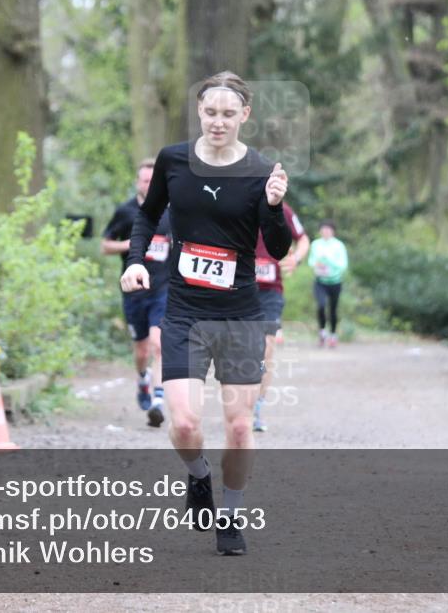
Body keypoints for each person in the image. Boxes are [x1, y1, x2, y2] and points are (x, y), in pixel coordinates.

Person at [121, 71, 291, 556]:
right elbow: (148, 215)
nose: (218, 122)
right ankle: (198, 476)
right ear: (200, 112)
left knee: (239, 426)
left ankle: (231, 514)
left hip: (239, 313)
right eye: (211, 112)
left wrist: (274, 207)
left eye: (228, 114)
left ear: (245, 116)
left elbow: (276, 250)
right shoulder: (175, 160)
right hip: (184, 311)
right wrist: (135, 262)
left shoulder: (261, 171)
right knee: (186, 423)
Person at [102, 159, 171, 428]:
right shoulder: (126, 212)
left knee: (158, 344)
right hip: (133, 292)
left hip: (163, 290)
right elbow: (104, 246)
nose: (148, 185)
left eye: (153, 181)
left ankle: (157, 400)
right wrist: (129, 245)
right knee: (142, 350)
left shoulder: (171, 213)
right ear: (137, 182)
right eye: (144, 180)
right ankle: (143, 378)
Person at [253, 202, 309, 432]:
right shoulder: (237, 200)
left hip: (270, 292)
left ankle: (257, 406)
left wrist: (296, 259)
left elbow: (304, 239)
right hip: (237, 289)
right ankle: (240, 401)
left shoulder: (283, 210)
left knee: (266, 347)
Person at [308, 220, 348, 348]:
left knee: (333, 309)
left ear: (333, 231)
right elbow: (311, 261)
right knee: (321, 305)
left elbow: (343, 265)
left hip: (335, 282)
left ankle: (333, 335)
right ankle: (322, 332)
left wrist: (328, 259)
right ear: (320, 231)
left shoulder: (339, 245)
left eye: (328, 229)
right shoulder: (315, 244)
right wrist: (316, 264)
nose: (325, 232)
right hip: (320, 281)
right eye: (323, 229)